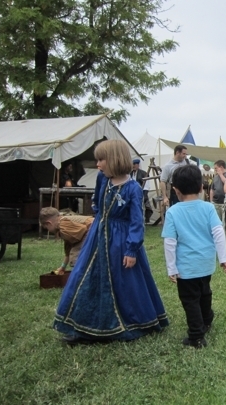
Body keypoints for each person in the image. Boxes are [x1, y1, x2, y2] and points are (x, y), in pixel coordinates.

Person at [54, 140, 169, 346]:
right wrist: (100, 223)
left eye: (101, 160)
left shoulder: (132, 188)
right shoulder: (103, 179)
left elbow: (136, 221)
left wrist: (131, 249)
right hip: (98, 238)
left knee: (123, 282)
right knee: (87, 278)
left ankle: (132, 323)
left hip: (121, 241)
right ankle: (85, 328)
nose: (98, 164)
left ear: (114, 160)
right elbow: (97, 203)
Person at [163, 165, 226, 348]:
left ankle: (196, 336)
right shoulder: (208, 208)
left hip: (186, 267)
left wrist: (171, 267)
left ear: (176, 190)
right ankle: (207, 319)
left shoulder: (172, 212)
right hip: (206, 263)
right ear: (202, 187)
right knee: (204, 292)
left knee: (190, 300)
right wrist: (223, 258)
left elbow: (170, 242)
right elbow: (218, 233)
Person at [39, 207, 94, 274]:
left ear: (49, 223)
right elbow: (68, 249)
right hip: (93, 229)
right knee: (74, 252)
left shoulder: (63, 224)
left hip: (92, 229)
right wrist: (63, 267)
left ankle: (79, 276)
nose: (48, 230)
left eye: (46, 228)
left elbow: (82, 230)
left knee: (75, 254)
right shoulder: (64, 225)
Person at [131, 158, 153, 224]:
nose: (133, 166)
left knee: (146, 205)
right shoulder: (130, 173)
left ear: (138, 165)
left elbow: (146, 186)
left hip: (142, 192)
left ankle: (146, 219)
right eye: (132, 164)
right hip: (132, 193)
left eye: (135, 164)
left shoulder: (144, 173)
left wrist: (144, 194)